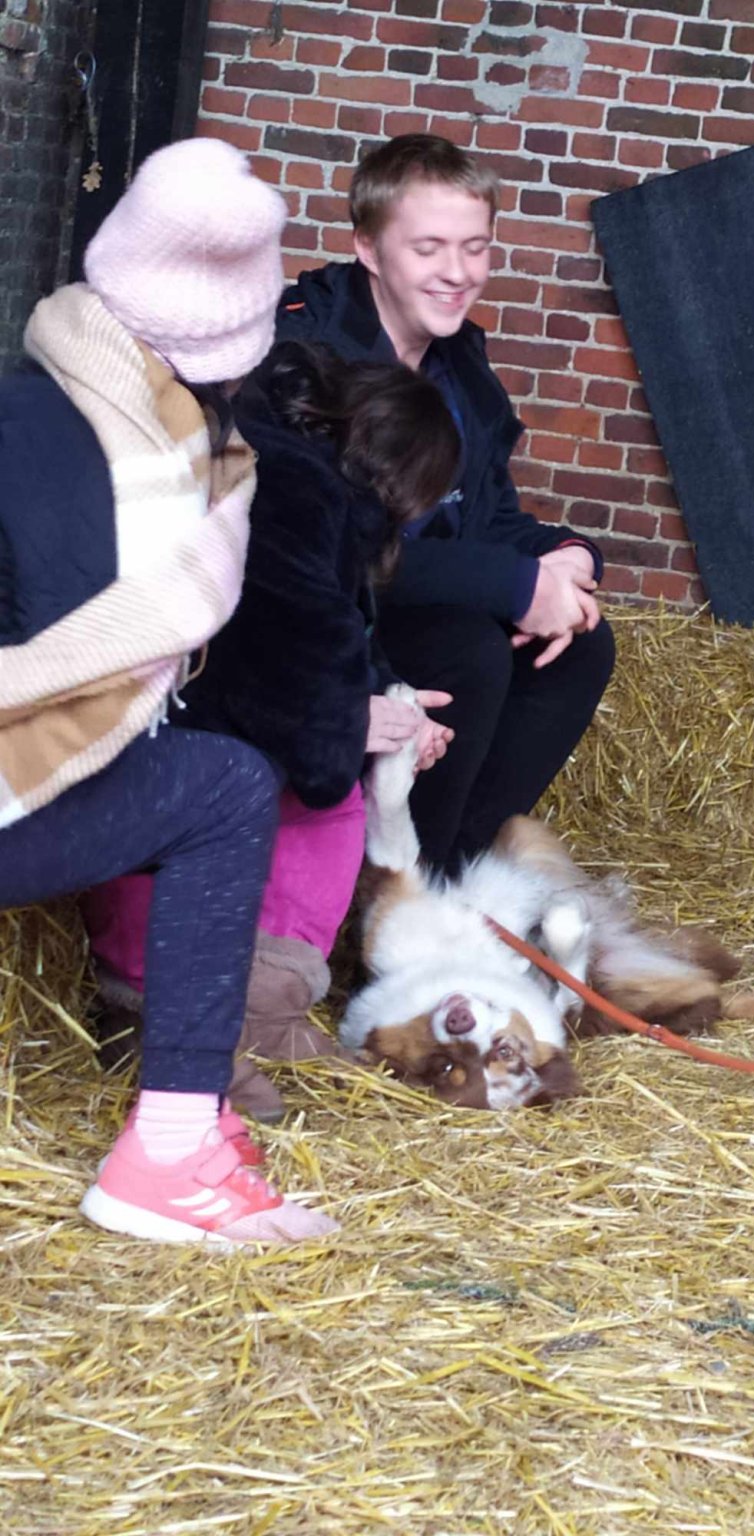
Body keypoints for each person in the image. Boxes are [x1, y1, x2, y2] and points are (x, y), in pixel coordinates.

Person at [0, 137, 338, 1246]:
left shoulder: (25, 405)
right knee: (229, 787)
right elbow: (75, 661)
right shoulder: (172, 479)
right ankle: (173, 1148)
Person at [80, 340, 462, 1121]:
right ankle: (227, 1011)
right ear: (404, 481)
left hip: (149, 734)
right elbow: (304, 693)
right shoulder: (302, 503)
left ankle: (190, 1005)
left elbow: (333, 639)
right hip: (168, 752)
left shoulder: (288, 468)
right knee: (317, 801)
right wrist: (355, 724)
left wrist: (384, 695)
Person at [275, 133, 616, 876]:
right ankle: (388, 892)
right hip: (322, 615)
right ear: (368, 246)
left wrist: (561, 556)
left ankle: (455, 877)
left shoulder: (458, 360)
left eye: (476, 248)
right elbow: (325, 549)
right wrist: (512, 586)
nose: (458, 274)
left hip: (416, 594)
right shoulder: (308, 355)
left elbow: (484, 514)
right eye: (430, 248)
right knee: (471, 647)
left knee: (580, 645)